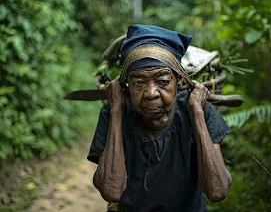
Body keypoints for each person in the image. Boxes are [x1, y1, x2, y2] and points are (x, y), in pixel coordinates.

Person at [87, 24, 232, 212]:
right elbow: (111, 191)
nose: (150, 93)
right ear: (126, 86)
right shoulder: (113, 111)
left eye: (163, 81)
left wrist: (197, 112)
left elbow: (217, 191)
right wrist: (116, 110)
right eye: (139, 82)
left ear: (178, 81)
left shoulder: (200, 111)